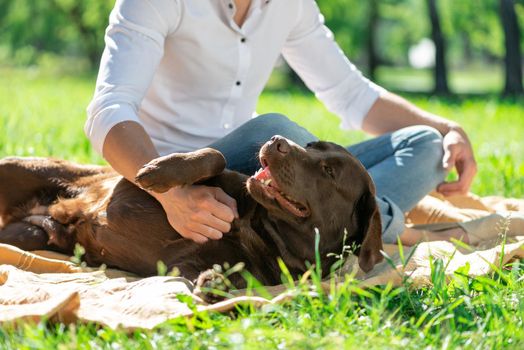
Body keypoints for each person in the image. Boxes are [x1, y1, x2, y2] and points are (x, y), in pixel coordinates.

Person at [85, 0, 476, 246]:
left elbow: (350, 93)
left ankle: (364, 223)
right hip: (181, 174)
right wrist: (170, 195)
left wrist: (449, 130)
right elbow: (110, 108)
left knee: (427, 145)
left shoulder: (291, 5)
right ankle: (383, 228)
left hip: (262, 175)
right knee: (270, 131)